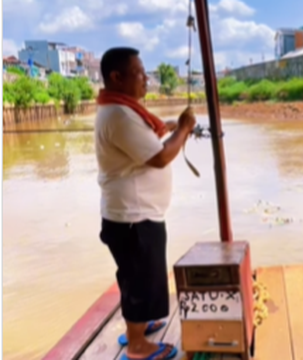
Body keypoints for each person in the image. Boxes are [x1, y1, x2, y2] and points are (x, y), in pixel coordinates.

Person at [94, 47, 196, 360]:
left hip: (131, 215)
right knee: (140, 278)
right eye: (139, 73)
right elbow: (161, 156)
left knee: (136, 276)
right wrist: (184, 129)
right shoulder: (120, 116)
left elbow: (150, 144)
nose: (146, 79)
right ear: (117, 77)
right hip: (133, 218)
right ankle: (138, 346)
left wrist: (172, 130)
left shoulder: (121, 111)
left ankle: (135, 329)